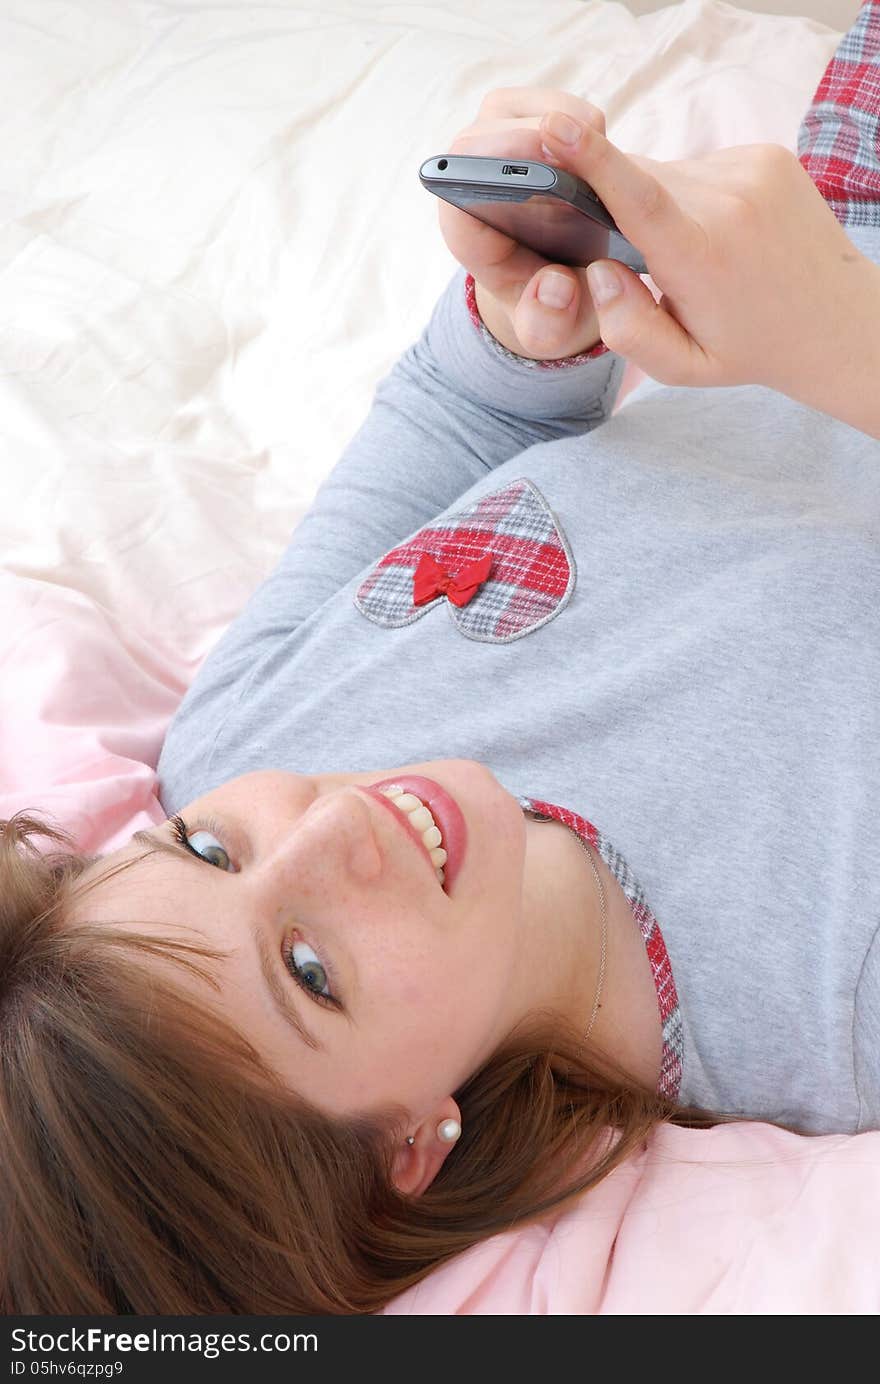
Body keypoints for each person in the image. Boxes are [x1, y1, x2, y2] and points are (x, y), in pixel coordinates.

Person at [2, 2, 879, 1316]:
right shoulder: (837, 985)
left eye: (204, 850)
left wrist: (528, 311)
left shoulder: (244, 737)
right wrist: (839, 340)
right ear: (409, 1144)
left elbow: (455, 411)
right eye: (310, 968)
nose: (325, 822)